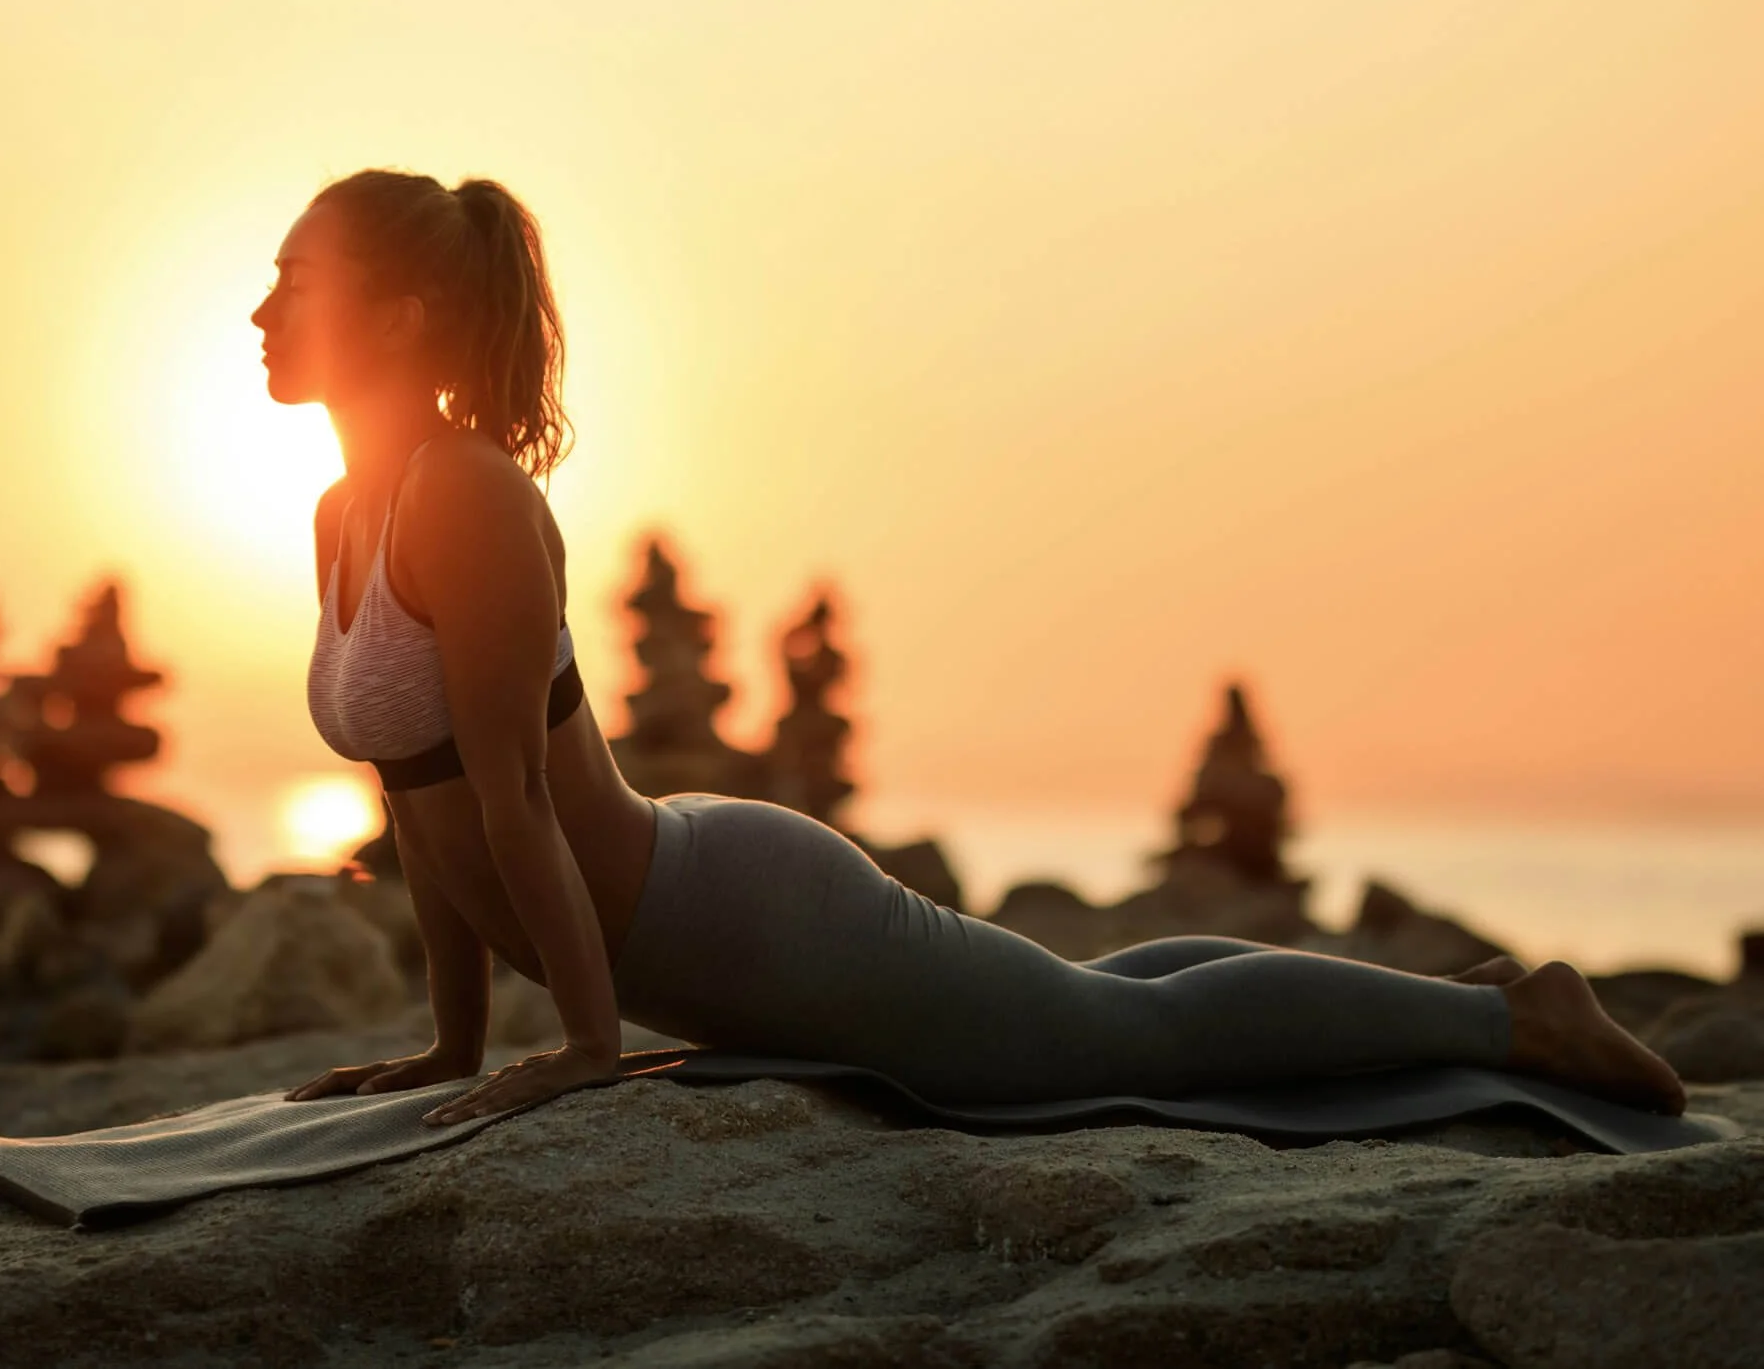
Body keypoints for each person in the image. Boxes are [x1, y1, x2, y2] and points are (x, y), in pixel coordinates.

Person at [256, 168, 1686, 1129]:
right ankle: (1461, 1004)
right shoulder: (345, 512)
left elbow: (512, 803)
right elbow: (425, 806)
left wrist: (580, 1053)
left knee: (1126, 1049)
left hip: (745, 918)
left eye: (295, 280)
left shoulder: (470, 498)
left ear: (401, 311)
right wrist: (448, 1046)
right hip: (692, 930)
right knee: (1101, 1006)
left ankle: (1511, 1022)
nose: (261, 310)